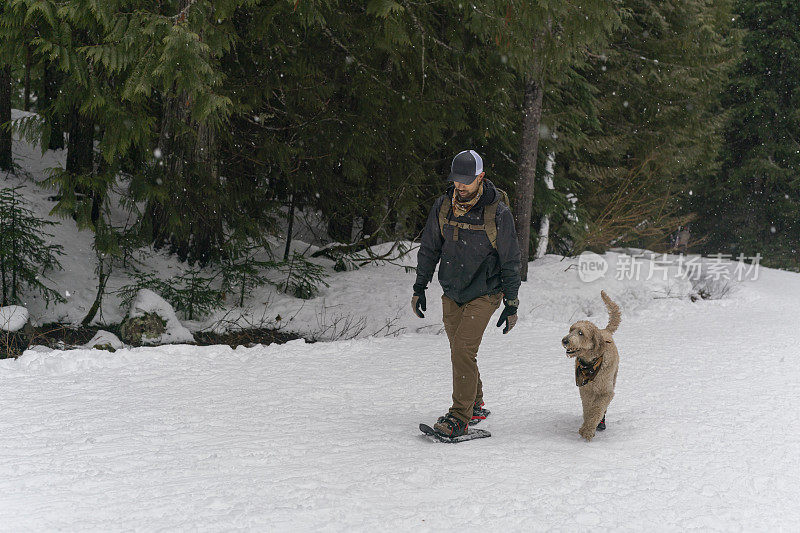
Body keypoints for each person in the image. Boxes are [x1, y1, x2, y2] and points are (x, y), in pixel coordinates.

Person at [412, 149, 521, 437]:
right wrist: (420, 286)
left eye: (467, 181)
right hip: (453, 290)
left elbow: (511, 260)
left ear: (480, 177)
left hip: (485, 291)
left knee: (462, 349)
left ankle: (459, 417)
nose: (460, 187)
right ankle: (475, 401)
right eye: (456, 180)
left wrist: (511, 303)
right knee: (461, 351)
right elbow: (429, 248)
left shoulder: (497, 212)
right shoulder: (443, 206)